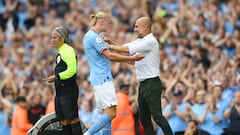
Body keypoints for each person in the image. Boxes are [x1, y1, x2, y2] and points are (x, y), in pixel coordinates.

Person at [104, 16, 173, 135]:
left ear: (145, 27)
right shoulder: (141, 40)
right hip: (144, 84)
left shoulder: (149, 41)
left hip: (152, 82)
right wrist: (111, 42)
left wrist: (110, 47)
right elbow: (125, 48)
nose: (134, 29)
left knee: (157, 117)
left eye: (137, 26)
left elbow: (127, 50)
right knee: (144, 118)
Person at [82, 12, 144, 135]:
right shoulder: (93, 37)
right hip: (102, 78)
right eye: (109, 23)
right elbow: (110, 56)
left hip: (99, 78)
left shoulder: (93, 36)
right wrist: (130, 59)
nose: (110, 26)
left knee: (107, 115)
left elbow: (115, 50)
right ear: (102, 22)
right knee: (111, 114)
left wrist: (127, 59)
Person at [45, 26, 83, 135]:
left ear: (62, 38)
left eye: (54, 38)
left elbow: (72, 70)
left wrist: (56, 77)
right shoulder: (61, 51)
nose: (52, 40)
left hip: (68, 91)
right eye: (51, 38)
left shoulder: (68, 50)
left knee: (73, 119)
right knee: (63, 121)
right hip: (60, 92)